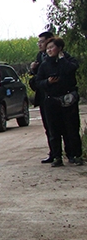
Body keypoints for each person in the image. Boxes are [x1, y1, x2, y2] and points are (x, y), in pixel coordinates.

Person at [34, 37, 82, 167]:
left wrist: (61, 59)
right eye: (47, 48)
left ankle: (76, 155)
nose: (49, 50)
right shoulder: (44, 64)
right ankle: (57, 157)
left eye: (52, 48)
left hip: (68, 99)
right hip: (51, 101)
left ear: (60, 48)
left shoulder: (69, 60)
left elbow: (70, 70)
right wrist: (48, 82)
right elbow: (38, 82)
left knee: (72, 128)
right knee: (54, 130)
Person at [30, 31, 56, 162]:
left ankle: (71, 153)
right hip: (43, 97)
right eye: (38, 42)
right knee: (48, 127)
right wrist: (33, 69)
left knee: (63, 126)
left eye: (42, 42)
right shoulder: (40, 56)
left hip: (56, 95)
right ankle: (54, 153)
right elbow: (37, 76)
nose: (39, 44)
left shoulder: (59, 57)